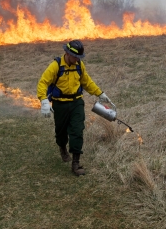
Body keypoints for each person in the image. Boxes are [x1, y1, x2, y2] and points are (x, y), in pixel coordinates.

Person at [37, 40, 112, 176]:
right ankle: (62, 147)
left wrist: (100, 93)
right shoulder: (56, 65)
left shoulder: (79, 65)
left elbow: (86, 81)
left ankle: (76, 163)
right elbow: (43, 82)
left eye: (79, 58)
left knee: (77, 131)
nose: (77, 60)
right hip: (60, 104)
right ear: (67, 53)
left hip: (77, 103)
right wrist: (43, 101)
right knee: (61, 132)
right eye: (75, 57)